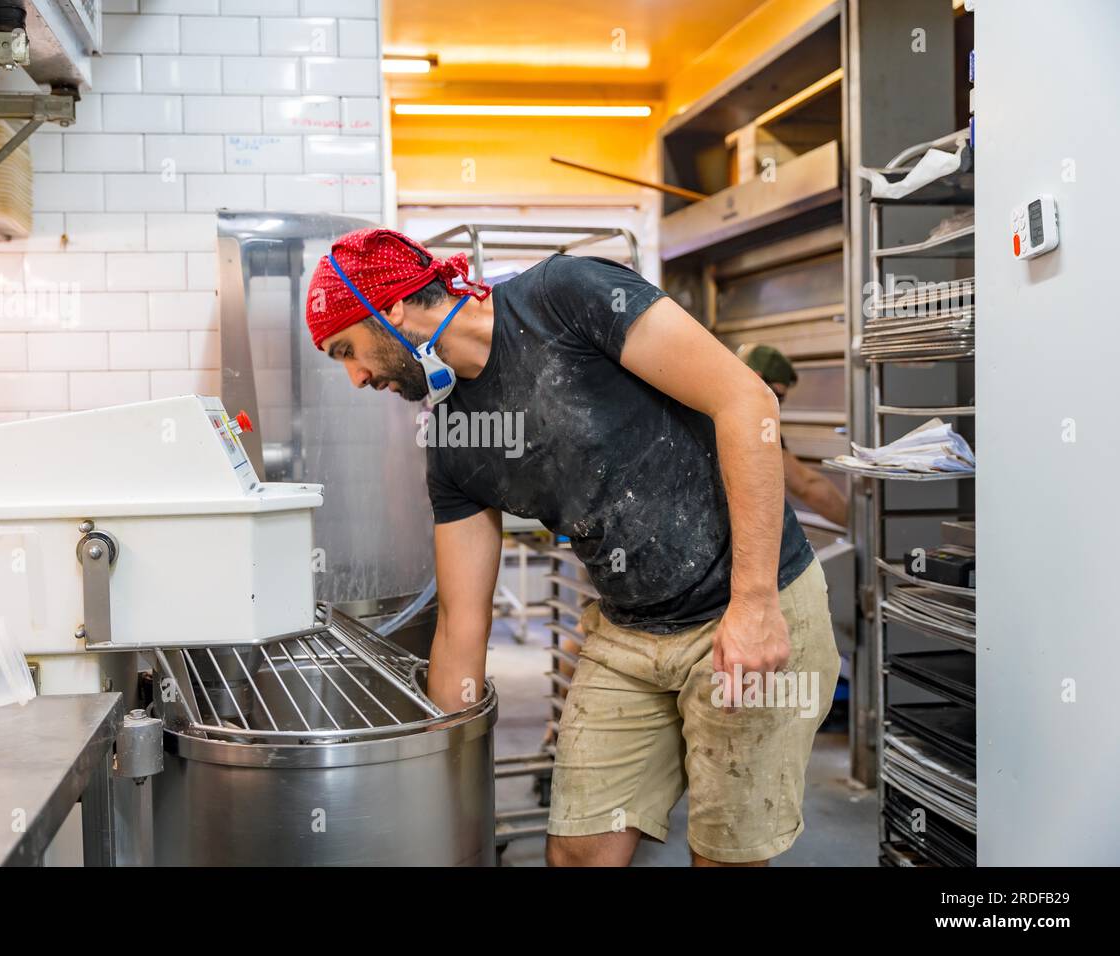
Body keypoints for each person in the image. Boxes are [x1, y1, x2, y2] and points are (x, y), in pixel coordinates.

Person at [305, 228, 838, 867]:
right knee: (579, 853)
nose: (356, 376)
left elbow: (746, 400)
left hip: (748, 600)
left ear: (387, 306)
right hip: (630, 633)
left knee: (725, 856)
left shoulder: (567, 295)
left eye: (347, 350)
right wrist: (438, 787)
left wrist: (753, 604)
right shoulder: (453, 443)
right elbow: (461, 626)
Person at [735, 344, 849, 527]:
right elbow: (805, 484)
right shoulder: (750, 420)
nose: (778, 406)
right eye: (778, 396)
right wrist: (860, 526)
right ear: (757, 378)